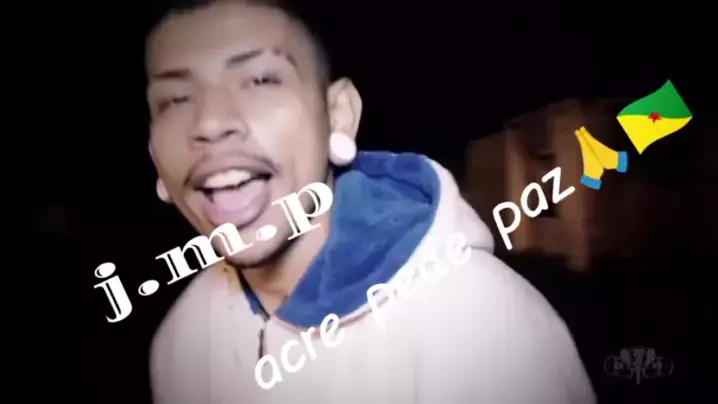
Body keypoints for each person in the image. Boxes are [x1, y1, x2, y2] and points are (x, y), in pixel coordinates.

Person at [145, 0, 596, 403]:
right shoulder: (180, 339)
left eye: (261, 80)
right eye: (174, 100)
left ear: (338, 116)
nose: (209, 123)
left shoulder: (486, 333)